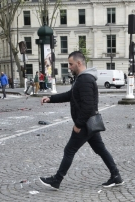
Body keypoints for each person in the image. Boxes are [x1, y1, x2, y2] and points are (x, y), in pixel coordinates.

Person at [39, 51, 123, 190]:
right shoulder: (82, 79)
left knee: (69, 150)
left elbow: (88, 106)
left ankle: (57, 180)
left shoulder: (84, 80)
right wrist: (51, 98)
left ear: (79, 63)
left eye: (71, 64)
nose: (69, 67)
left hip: (84, 124)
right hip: (90, 123)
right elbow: (70, 95)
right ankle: (116, 176)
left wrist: (78, 124)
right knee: (101, 149)